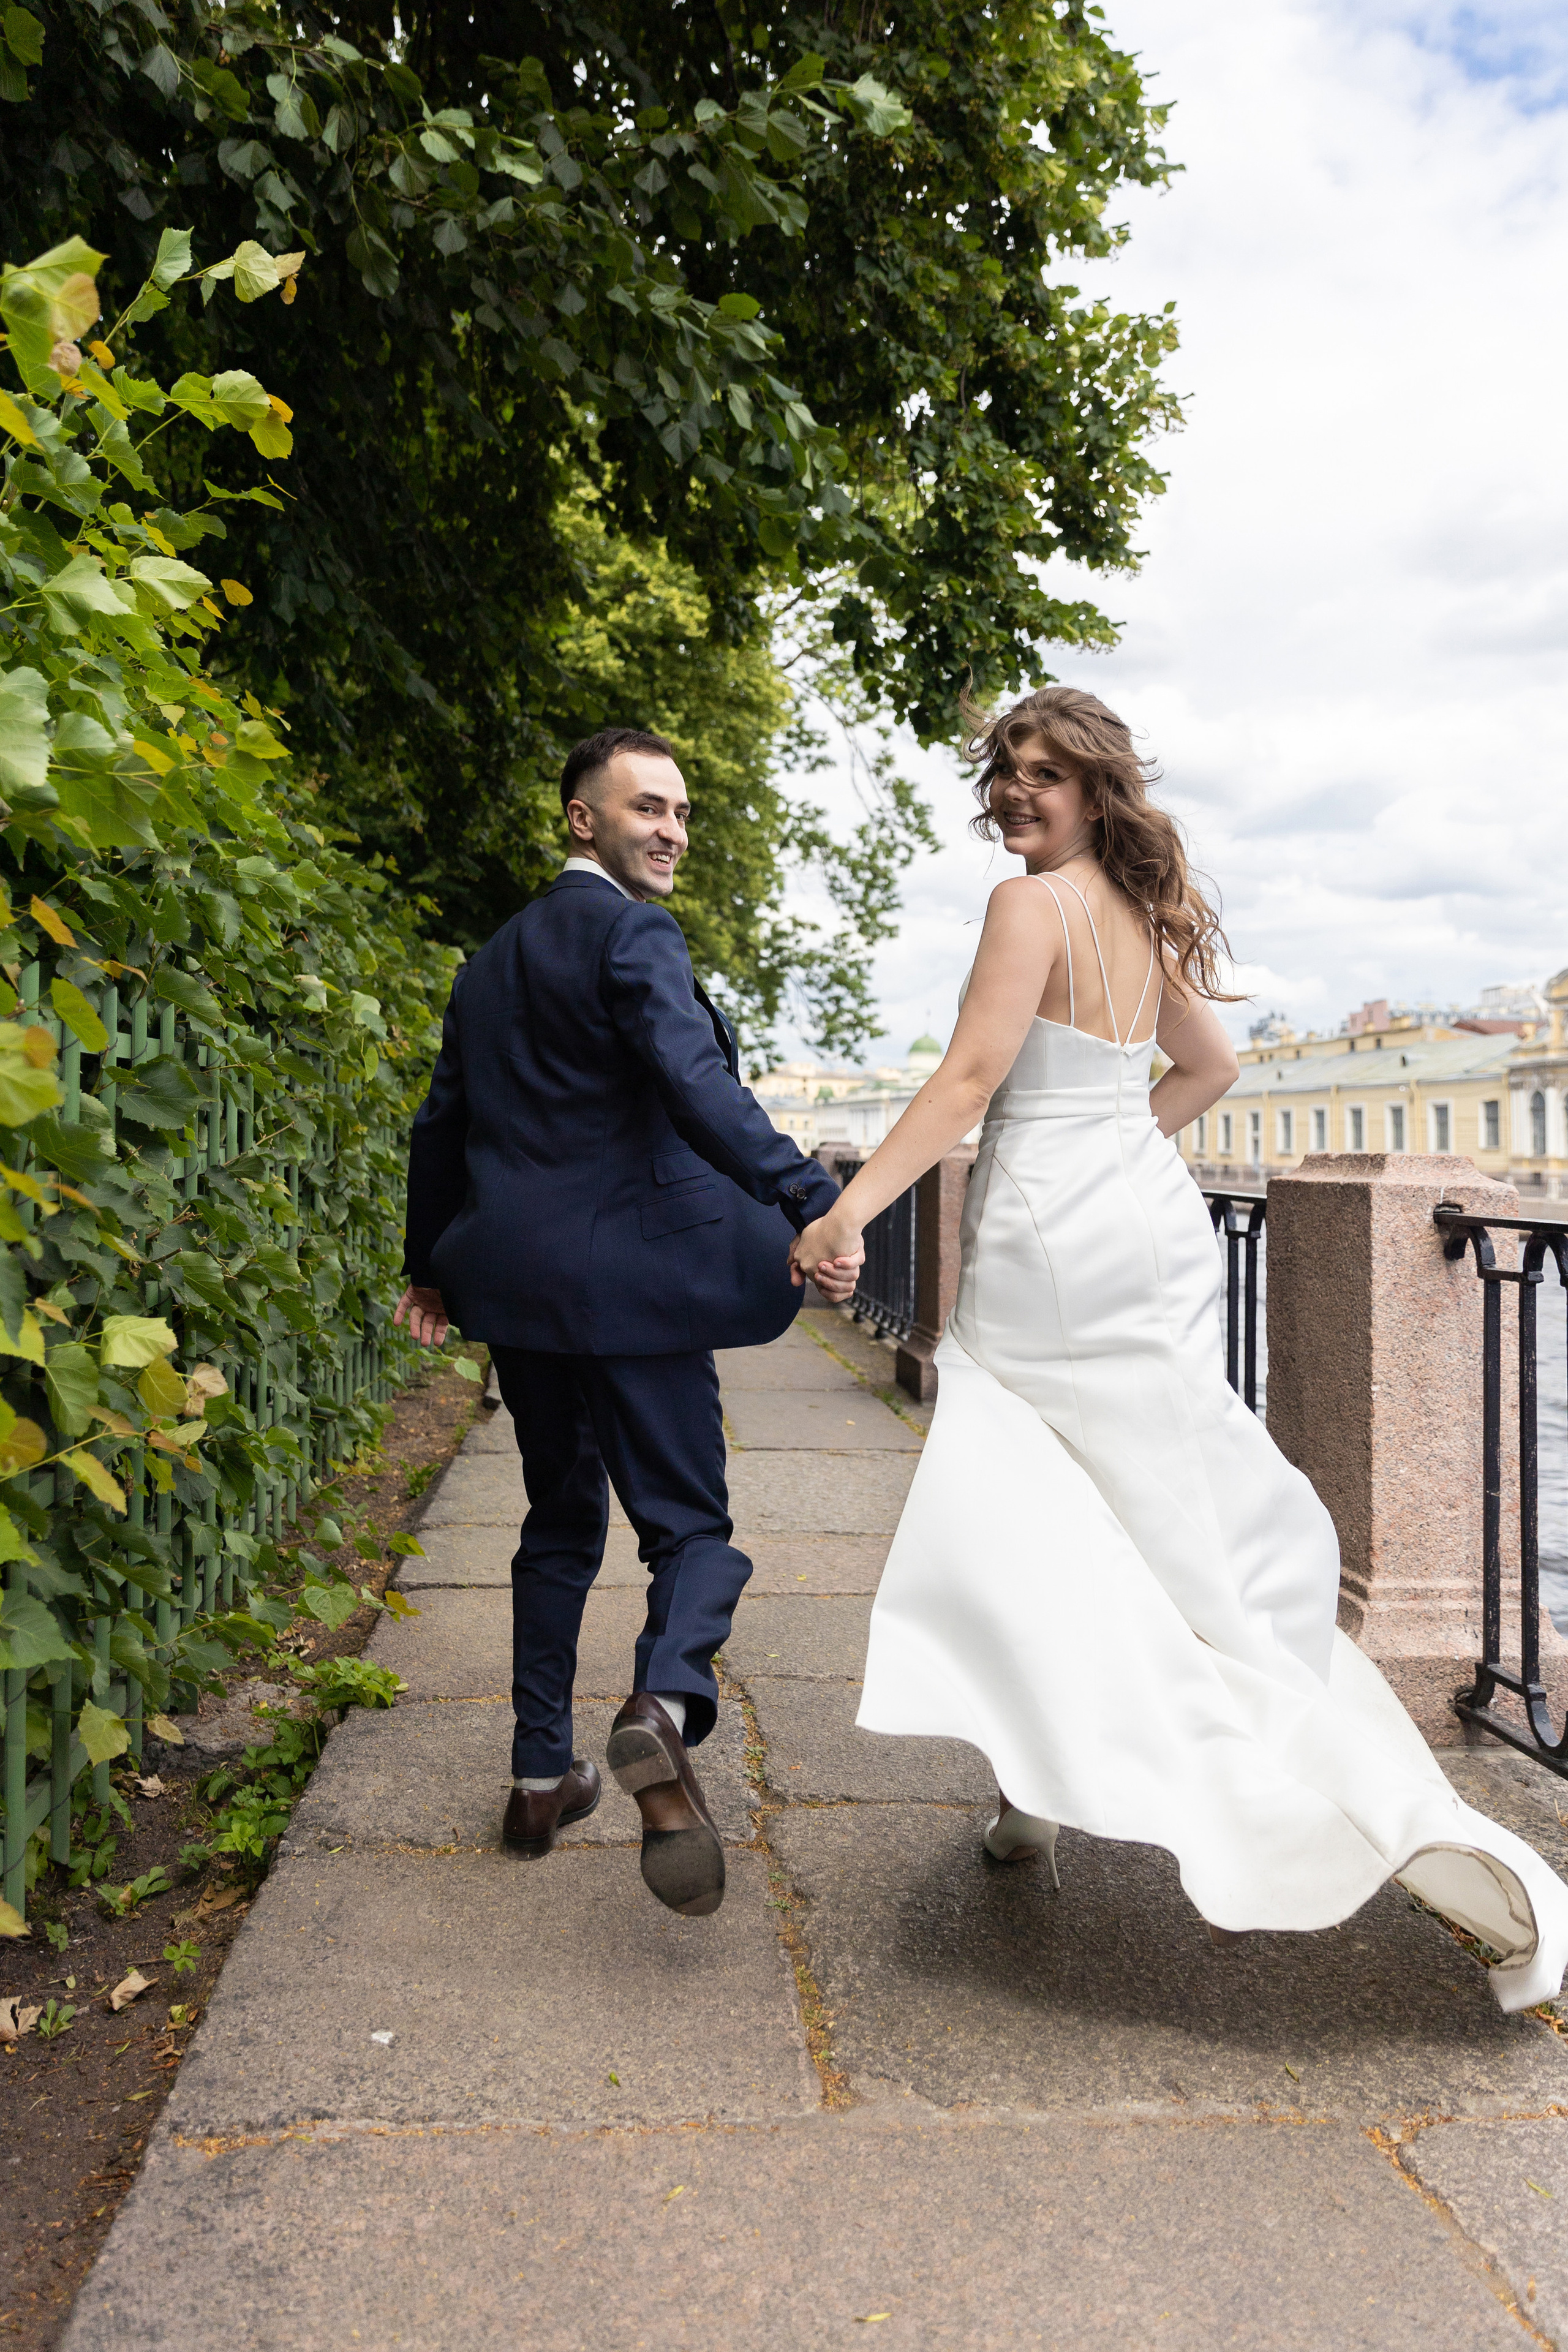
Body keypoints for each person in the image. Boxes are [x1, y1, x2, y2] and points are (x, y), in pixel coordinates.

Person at [790, 684, 1568, 2012]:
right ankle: (1109, 1784)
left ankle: (1035, 1796)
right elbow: (1206, 1072)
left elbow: (972, 1080)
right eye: (1007, 773)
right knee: (1156, 1506)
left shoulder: (1024, 908)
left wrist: (847, 1207)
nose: (1018, 794)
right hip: (1143, 1232)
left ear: (1095, 789)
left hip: (1045, 1240)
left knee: (1025, 1504)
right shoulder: (1142, 917)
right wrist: (1113, 1155)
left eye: (1045, 774)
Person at [396, 726, 861, 1920]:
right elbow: (695, 1086)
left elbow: (440, 1130)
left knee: (557, 1524)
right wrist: (812, 1198)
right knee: (691, 1531)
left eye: (682, 812)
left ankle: (539, 1775)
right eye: (646, 806)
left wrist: (428, 1267)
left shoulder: (488, 962)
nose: (670, 830)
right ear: (579, 819)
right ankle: (660, 1707)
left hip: (520, 1292)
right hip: (639, 1293)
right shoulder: (632, 932)